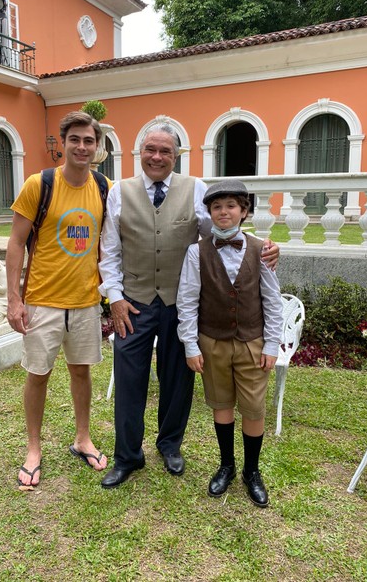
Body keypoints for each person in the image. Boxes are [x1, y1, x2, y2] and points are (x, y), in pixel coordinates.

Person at [98, 122, 279, 489]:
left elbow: (222, 232)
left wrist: (264, 248)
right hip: (133, 301)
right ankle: (127, 456)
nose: (157, 157)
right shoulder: (119, 192)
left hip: (179, 303)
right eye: (150, 149)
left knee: (177, 380)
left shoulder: (196, 189)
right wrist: (114, 298)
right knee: (130, 381)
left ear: (176, 156)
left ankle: (170, 445)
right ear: (140, 153)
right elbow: (110, 250)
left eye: (166, 151)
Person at [6, 111, 111, 489]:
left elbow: (111, 245)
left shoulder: (104, 187)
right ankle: (33, 448)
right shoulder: (40, 184)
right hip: (42, 300)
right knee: (39, 374)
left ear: (97, 147)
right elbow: (16, 243)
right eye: (75, 140)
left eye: (89, 141)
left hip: (85, 301)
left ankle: (82, 438)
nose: (82, 147)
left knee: (81, 371)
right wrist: (13, 299)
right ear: (63, 144)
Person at [176, 179, 283, 507]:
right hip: (213, 342)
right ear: (209, 212)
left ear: (244, 211)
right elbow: (188, 299)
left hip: (252, 342)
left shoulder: (260, 249)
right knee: (221, 405)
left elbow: (272, 299)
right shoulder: (196, 252)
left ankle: (252, 471)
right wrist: (191, 345)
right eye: (217, 207)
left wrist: (271, 344)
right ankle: (227, 465)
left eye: (231, 206)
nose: (224, 212)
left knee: (253, 408)